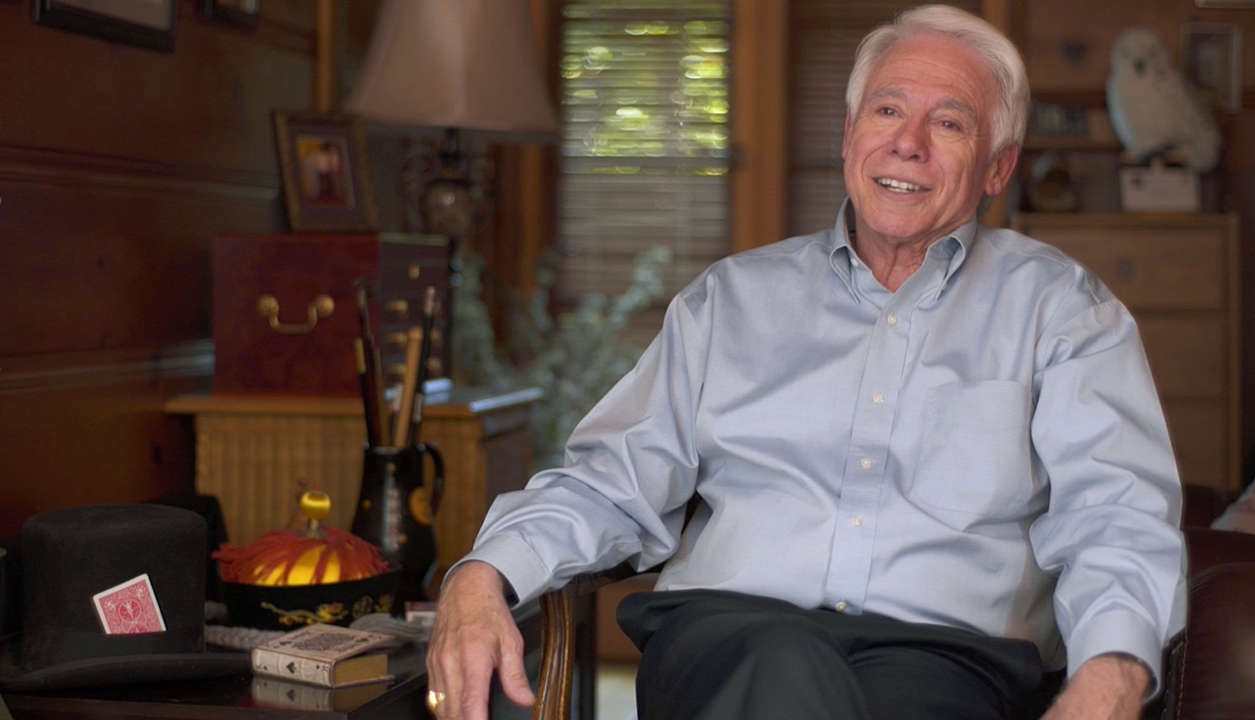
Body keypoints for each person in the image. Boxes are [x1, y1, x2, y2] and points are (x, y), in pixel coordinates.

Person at [426, 5, 1186, 719]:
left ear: (998, 167)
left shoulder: (1062, 312)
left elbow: (1114, 513)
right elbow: (611, 484)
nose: (908, 143)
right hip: (726, 636)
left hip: (941, 660)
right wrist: (483, 572)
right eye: (887, 111)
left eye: (949, 122)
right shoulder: (729, 301)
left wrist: (1110, 672)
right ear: (849, 133)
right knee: (780, 661)